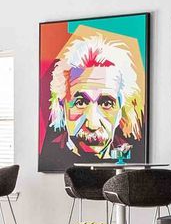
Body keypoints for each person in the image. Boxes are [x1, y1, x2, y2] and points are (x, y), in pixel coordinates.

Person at [40, 29, 146, 168]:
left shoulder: (132, 156)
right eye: (80, 103)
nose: (92, 124)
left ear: (121, 109)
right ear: (62, 106)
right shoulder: (48, 157)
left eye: (107, 103)